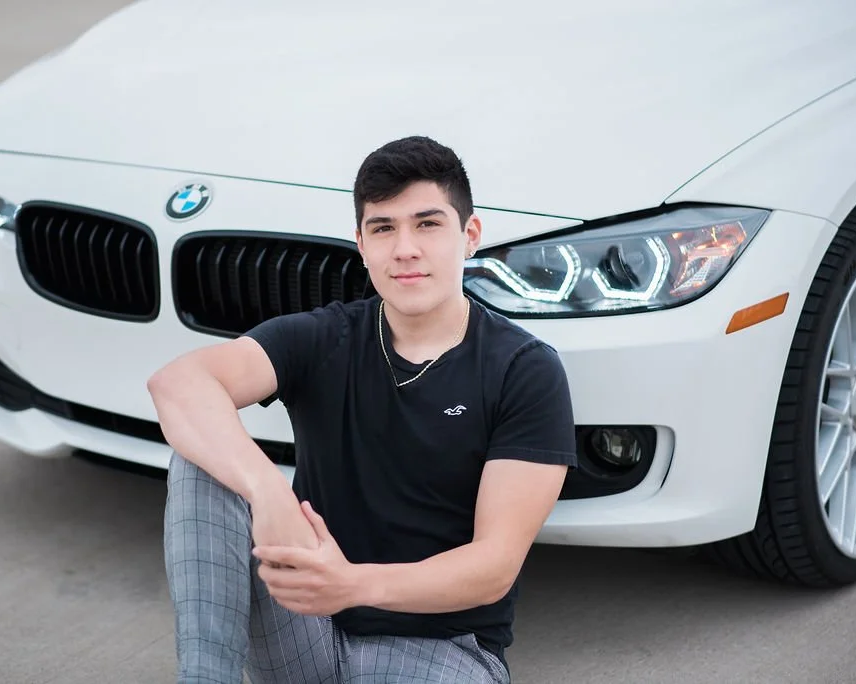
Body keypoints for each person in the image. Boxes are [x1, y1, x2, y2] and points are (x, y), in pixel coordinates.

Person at [148, 136, 577, 684]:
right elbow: (179, 383)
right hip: (305, 626)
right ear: (361, 243)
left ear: (469, 235)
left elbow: (493, 567)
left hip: (441, 650)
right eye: (383, 228)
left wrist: (351, 583)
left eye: (427, 224)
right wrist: (268, 490)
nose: (405, 248)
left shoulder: (523, 369)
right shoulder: (327, 336)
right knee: (204, 463)